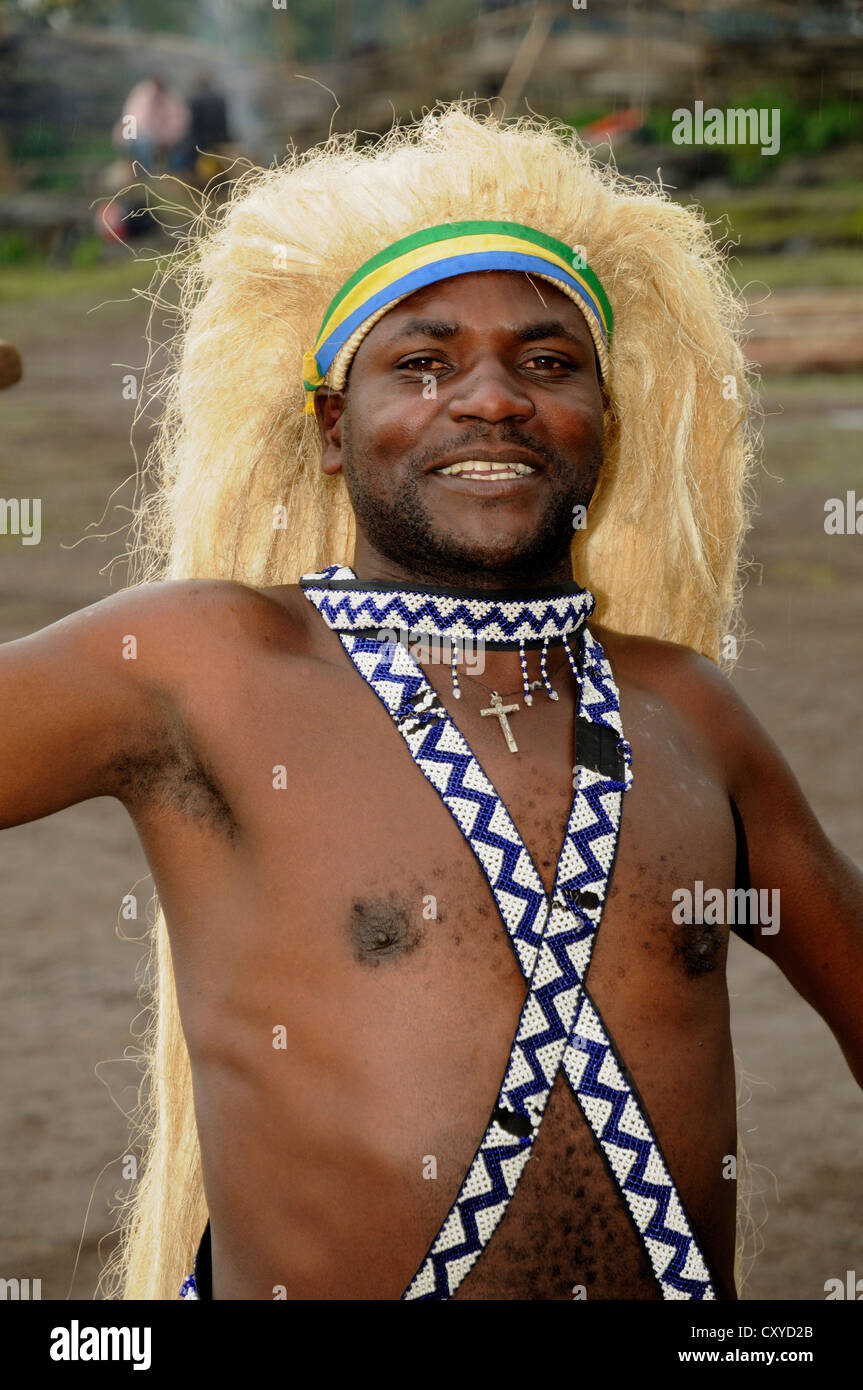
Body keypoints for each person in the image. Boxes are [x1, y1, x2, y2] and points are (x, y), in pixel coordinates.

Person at [2, 104, 861, 1301]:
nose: (493, 399)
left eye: (548, 363)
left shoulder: (684, 707)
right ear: (329, 429)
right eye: (421, 361)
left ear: (602, 427)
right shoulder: (205, 662)